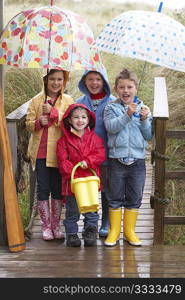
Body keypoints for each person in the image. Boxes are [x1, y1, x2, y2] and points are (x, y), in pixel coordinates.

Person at [103, 68, 153, 247]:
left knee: (135, 196)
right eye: (122, 87)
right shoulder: (111, 108)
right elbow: (111, 127)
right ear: (116, 89)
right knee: (115, 196)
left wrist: (144, 119)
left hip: (138, 161)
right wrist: (127, 115)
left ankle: (130, 232)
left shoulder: (143, 108)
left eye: (129, 87)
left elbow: (148, 135)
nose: (126, 91)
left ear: (136, 88)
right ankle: (114, 231)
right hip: (117, 159)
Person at [25, 69, 74, 241]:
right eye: (52, 79)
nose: (55, 82)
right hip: (40, 153)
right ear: (45, 80)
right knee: (43, 188)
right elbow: (28, 124)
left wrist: (54, 113)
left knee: (58, 189)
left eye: (59, 79)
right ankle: (46, 227)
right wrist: (38, 122)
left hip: (59, 153)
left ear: (64, 81)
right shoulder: (36, 101)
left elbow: (71, 122)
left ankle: (55, 225)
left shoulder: (67, 101)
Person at [56, 103, 106, 247]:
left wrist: (88, 161)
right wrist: (74, 172)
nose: (80, 120)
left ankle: (90, 230)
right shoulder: (63, 141)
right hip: (73, 183)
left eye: (83, 117)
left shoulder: (94, 138)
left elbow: (100, 154)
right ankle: (71, 234)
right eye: (76, 117)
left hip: (89, 181)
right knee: (72, 210)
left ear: (88, 120)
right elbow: (62, 161)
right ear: (69, 120)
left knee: (91, 208)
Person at [76, 68, 115, 237]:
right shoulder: (80, 102)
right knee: (88, 190)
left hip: (106, 153)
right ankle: (90, 222)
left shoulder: (113, 102)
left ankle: (106, 221)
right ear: (85, 81)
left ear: (104, 82)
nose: (94, 83)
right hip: (85, 156)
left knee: (106, 190)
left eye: (98, 79)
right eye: (90, 79)